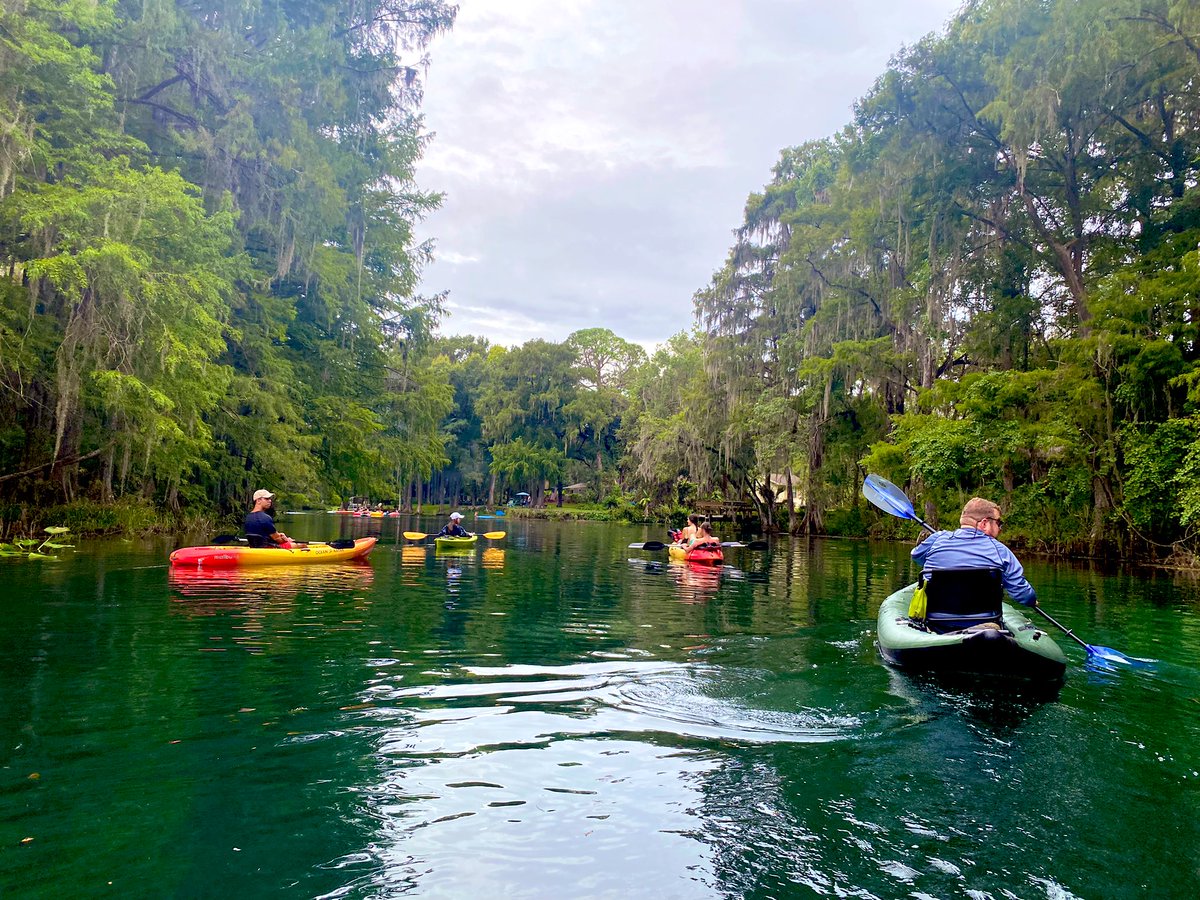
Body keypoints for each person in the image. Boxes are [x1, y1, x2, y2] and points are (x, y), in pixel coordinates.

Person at [911, 497, 1036, 606]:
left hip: (936, 621)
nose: (1000, 528)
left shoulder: (937, 538)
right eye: (999, 522)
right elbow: (1025, 596)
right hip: (985, 624)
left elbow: (916, 556)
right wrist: (1032, 601)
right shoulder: (1001, 552)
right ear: (985, 523)